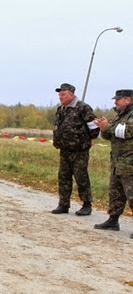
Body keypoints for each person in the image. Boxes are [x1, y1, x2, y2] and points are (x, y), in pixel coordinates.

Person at [51, 83, 100, 216]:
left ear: (71, 95)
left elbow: (94, 128)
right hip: (64, 150)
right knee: (64, 177)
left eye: (63, 94)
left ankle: (87, 204)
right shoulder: (61, 109)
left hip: (79, 150)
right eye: (59, 94)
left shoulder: (83, 108)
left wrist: (87, 140)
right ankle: (63, 204)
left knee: (81, 177)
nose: (60, 97)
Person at [93, 89, 133, 238]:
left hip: (130, 163)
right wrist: (103, 128)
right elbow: (110, 135)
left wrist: (109, 127)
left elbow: (128, 132)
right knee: (115, 193)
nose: (115, 102)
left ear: (128, 100)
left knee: (132, 194)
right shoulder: (119, 115)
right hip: (118, 162)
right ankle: (113, 220)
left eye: (118, 99)